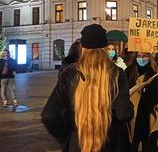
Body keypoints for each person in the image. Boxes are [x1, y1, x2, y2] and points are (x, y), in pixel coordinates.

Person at [41, 24, 134, 152]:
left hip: (77, 144)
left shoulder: (69, 74)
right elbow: (124, 114)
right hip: (110, 143)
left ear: (82, 47)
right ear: (105, 48)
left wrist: (67, 138)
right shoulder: (117, 73)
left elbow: (48, 115)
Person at [125, 52, 158, 152]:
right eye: (139, 56)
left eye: (144, 56)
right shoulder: (128, 72)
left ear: (150, 57)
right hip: (132, 119)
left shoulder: (155, 73)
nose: (141, 59)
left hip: (149, 118)